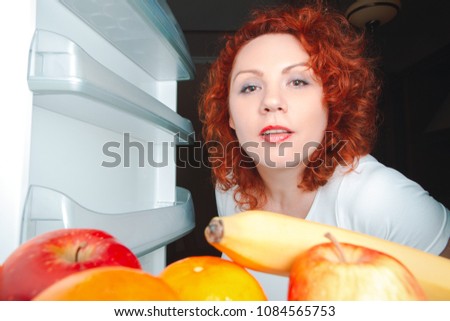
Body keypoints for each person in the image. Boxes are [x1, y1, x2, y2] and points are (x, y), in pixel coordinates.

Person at [198, 2, 450, 300]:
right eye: (250, 87)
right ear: (229, 116)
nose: (272, 101)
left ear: (331, 102)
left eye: (297, 81)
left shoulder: (379, 197)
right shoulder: (229, 184)